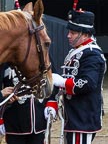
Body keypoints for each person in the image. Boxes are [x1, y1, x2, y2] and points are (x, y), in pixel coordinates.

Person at [52, 9, 106, 144]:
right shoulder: (76, 51)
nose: (68, 36)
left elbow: (88, 83)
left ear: (85, 34)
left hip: (82, 118)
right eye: (69, 32)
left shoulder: (92, 54)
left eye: (73, 32)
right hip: (74, 117)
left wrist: (63, 82)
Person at [0, 63, 58, 144]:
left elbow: (53, 79)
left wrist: (51, 102)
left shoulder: (40, 52)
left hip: (39, 118)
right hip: (14, 121)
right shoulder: (6, 59)